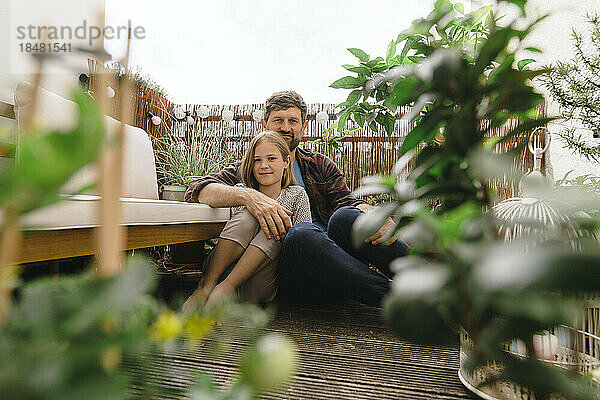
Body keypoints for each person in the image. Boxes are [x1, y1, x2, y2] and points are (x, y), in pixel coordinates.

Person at [185, 91, 410, 307]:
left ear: (303, 126)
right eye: (278, 120)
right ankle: (398, 298)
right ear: (265, 125)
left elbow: (347, 202)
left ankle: (426, 280)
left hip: (336, 264)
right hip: (288, 271)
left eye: (293, 121)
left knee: (347, 217)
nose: (286, 127)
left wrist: (374, 214)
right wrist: (248, 195)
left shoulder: (319, 165)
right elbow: (197, 190)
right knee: (301, 233)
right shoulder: (251, 167)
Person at [183, 131, 311, 310]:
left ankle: (224, 290)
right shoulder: (240, 191)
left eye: (271, 159)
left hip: (261, 282)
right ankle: (206, 287)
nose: (263, 165)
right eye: (257, 160)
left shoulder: (297, 195)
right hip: (224, 269)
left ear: (286, 162)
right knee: (248, 215)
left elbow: (303, 242)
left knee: (277, 223)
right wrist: (249, 200)